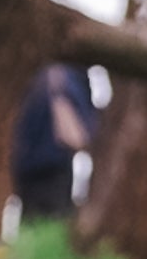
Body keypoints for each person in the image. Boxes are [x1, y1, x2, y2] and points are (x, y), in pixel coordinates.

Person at [10, 60, 105, 237]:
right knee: (48, 229)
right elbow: (76, 137)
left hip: (32, 166)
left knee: (33, 228)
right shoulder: (65, 79)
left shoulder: (50, 75)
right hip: (51, 168)